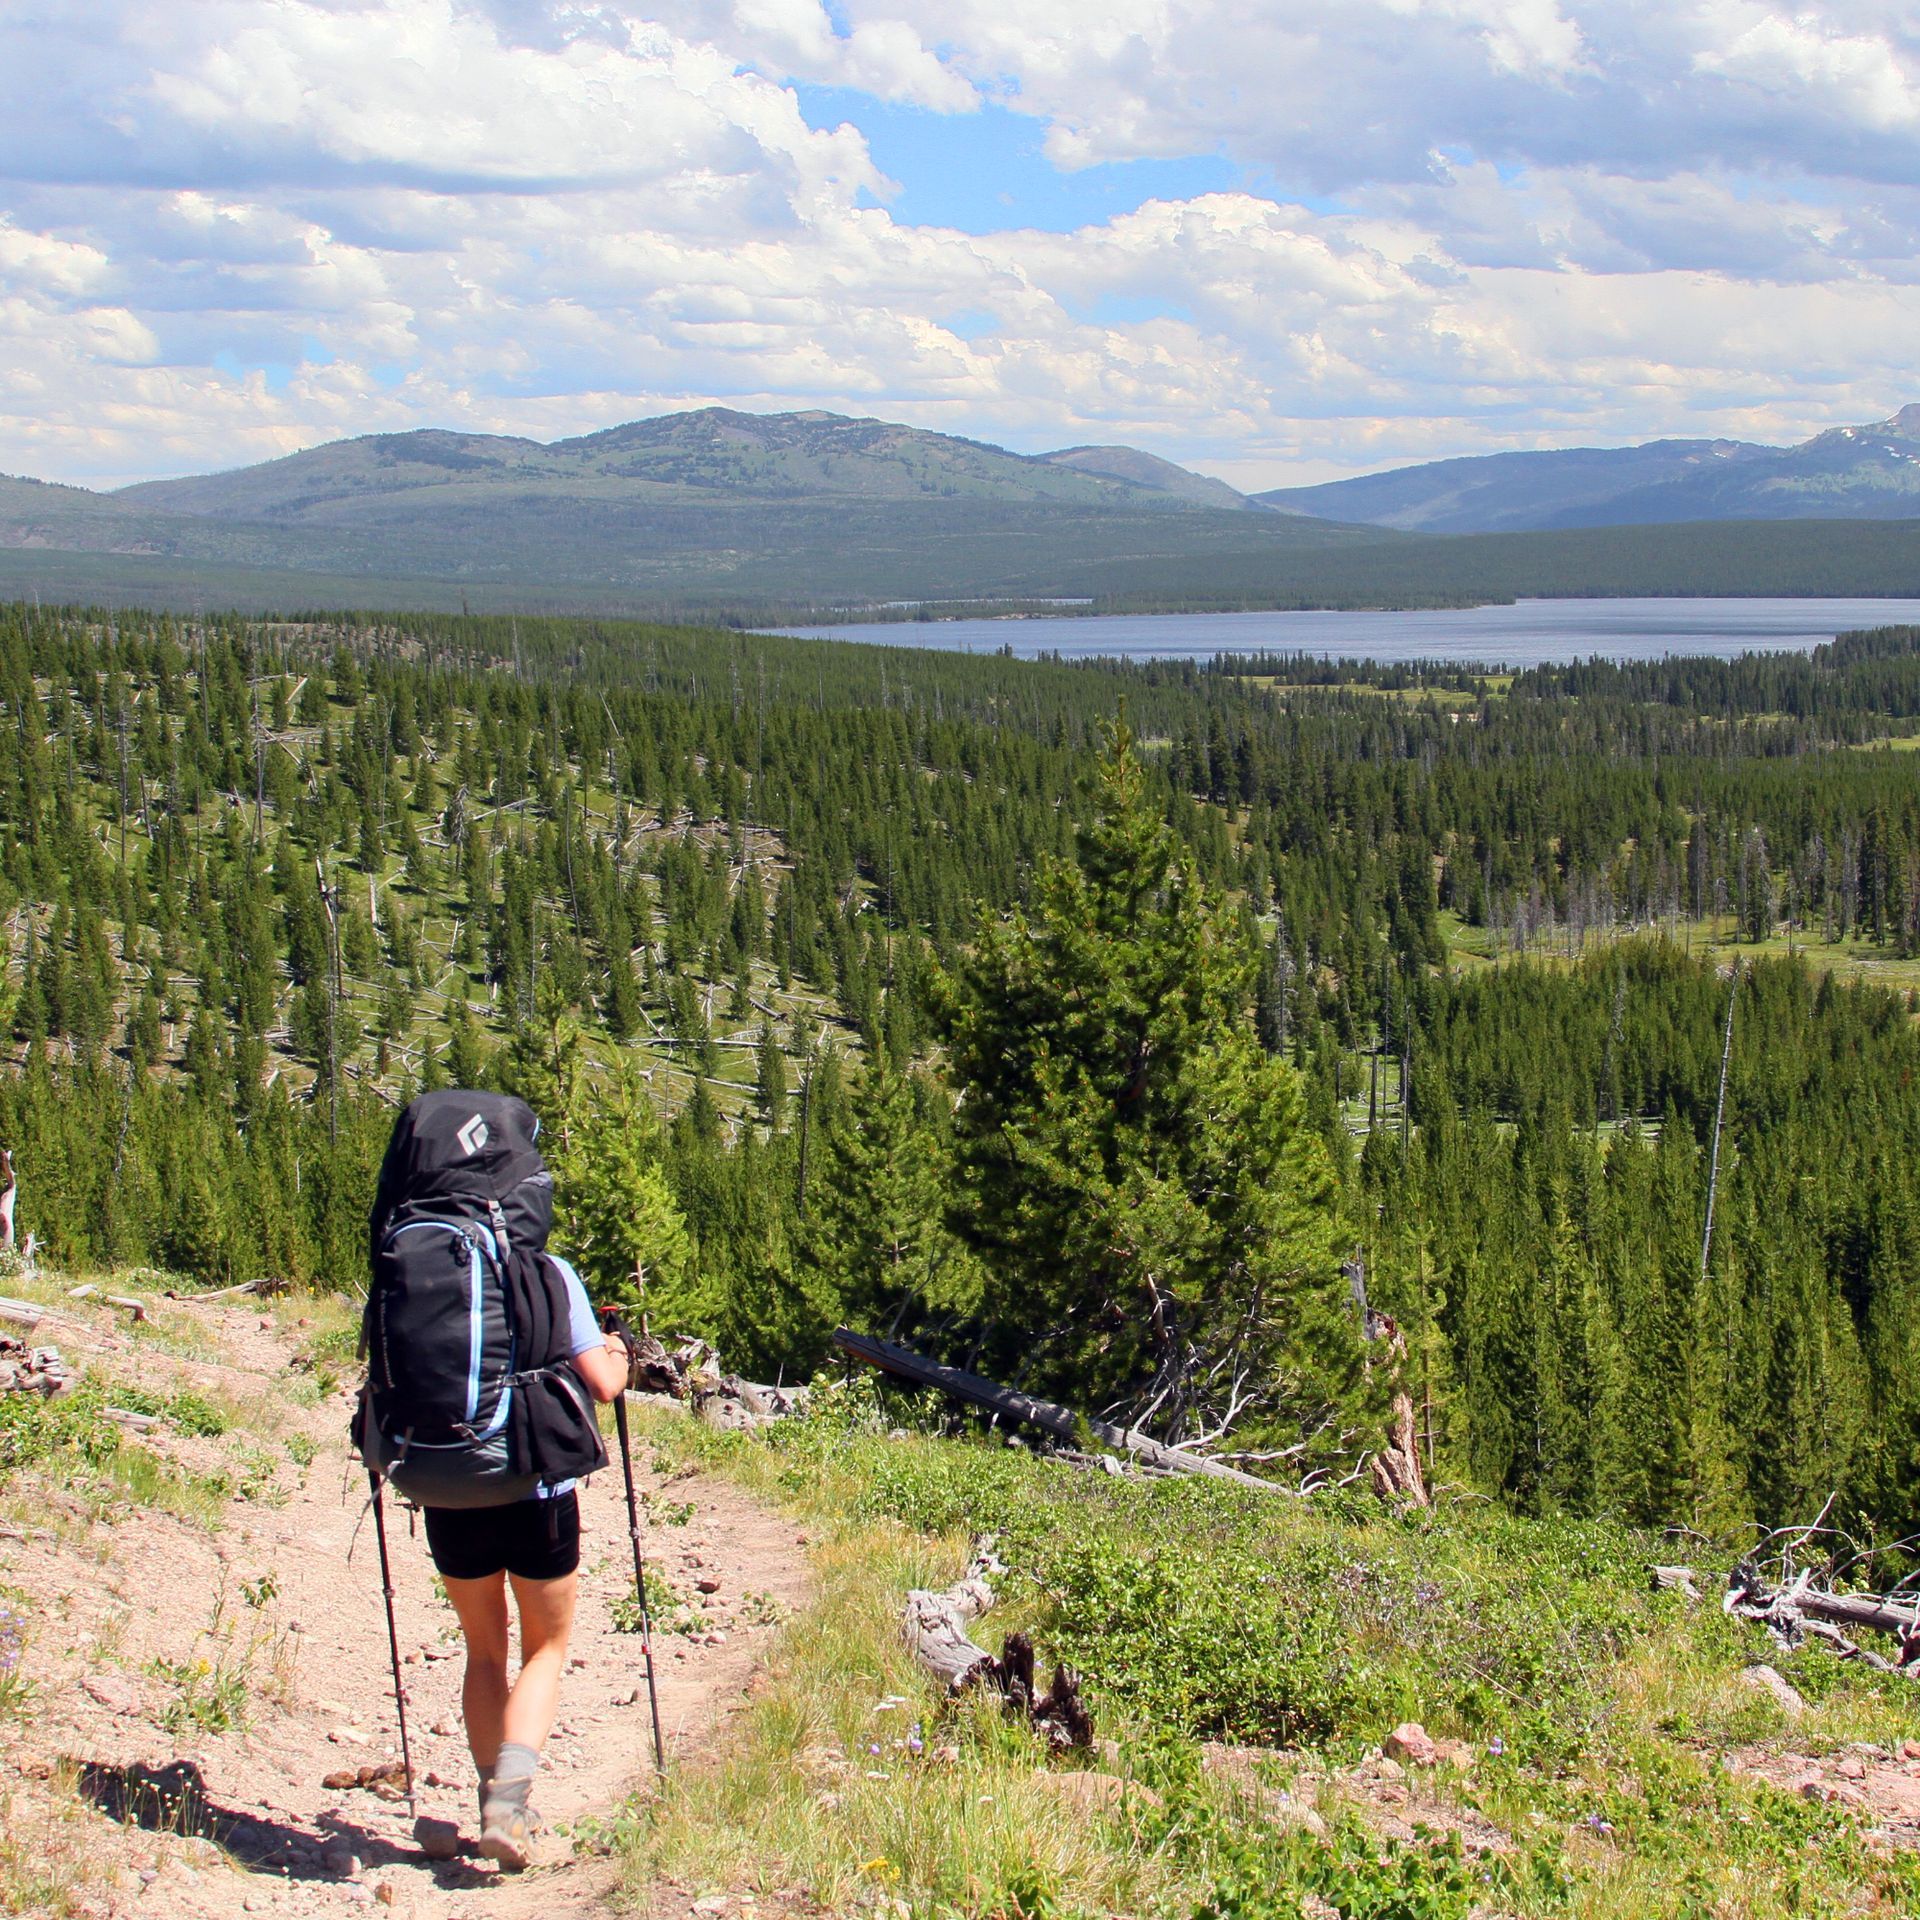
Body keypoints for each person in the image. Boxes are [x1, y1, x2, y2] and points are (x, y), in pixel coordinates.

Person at [424, 1253, 630, 1869]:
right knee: (545, 1648)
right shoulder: (549, 1271)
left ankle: (492, 1793)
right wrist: (619, 1350)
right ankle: (510, 1807)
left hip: (451, 1487)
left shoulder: (425, 1268)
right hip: (537, 1487)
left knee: (483, 1649)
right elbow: (602, 1382)